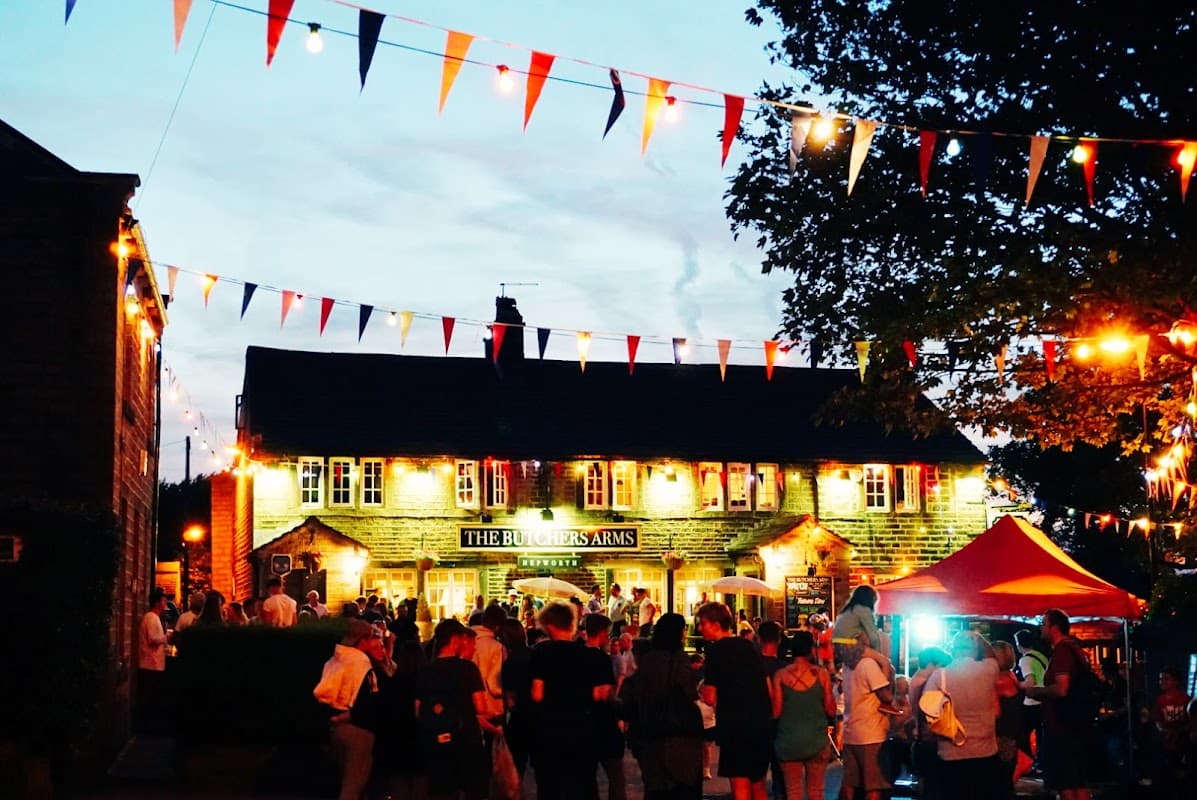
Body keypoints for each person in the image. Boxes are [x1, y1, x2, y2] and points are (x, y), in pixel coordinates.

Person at [697, 602, 772, 800]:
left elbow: (710, 696)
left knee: (740, 787)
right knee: (759, 786)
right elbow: (767, 683)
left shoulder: (715, 652)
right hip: (760, 723)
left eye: (703, 623)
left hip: (735, 726)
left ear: (715, 624)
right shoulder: (749, 646)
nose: (700, 628)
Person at [417, 618, 497, 800]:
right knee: (472, 789)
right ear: (454, 640)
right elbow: (480, 707)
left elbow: (418, 709)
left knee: (443, 791)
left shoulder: (426, 670)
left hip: (436, 740)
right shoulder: (467, 669)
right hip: (467, 739)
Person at [530, 602, 602, 799]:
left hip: (550, 728)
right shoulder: (587, 654)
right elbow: (598, 694)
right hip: (582, 726)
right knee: (583, 783)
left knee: (549, 785)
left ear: (548, 625)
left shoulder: (540, 653)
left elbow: (537, 693)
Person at [630, 613, 705, 800]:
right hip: (679, 734)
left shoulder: (647, 660)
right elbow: (689, 691)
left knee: (657, 789)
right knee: (682, 788)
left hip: (651, 733)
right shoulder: (678, 660)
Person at [313, 619, 387, 800]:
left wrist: (335, 719)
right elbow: (365, 703)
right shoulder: (361, 663)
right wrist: (346, 717)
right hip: (357, 728)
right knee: (353, 786)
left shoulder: (335, 660)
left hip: (336, 728)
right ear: (363, 640)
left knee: (344, 781)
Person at [1023, 608, 1092, 800]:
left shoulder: (1062, 651)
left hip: (1062, 725)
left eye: (1044, 624)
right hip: (1074, 724)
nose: (1041, 628)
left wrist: (1036, 691)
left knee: (1066, 781)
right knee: (1077, 780)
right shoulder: (1075, 649)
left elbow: (1062, 689)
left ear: (1054, 628)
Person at [924, 632, 1000, 800]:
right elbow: (993, 656)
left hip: (951, 750)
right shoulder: (988, 670)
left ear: (952, 650)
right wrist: (979, 638)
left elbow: (928, 711)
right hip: (985, 750)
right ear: (975, 650)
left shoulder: (939, 675)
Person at [771, 630, 835, 800]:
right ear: (810, 649)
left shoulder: (780, 676)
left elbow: (776, 712)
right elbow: (831, 709)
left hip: (788, 742)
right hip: (817, 741)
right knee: (816, 792)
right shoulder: (822, 675)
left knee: (793, 792)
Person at [839, 638, 895, 800]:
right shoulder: (868, 665)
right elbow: (886, 696)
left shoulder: (847, 665)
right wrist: (884, 663)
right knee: (873, 786)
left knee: (850, 784)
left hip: (851, 732)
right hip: (871, 734)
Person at [374, 640, 427, 800]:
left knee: (399, 785)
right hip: (420, 739)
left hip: (397, 738)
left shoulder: (393, 683)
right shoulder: (425, 683)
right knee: (421, 784)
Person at [582, 614, 626, 800]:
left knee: (586, 777)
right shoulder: (601, 659)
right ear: (601, 633)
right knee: (616, 776)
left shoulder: (577, 655)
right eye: (607, 634)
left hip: (583, 721)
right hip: (603, 721)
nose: (608, 638)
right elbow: (605, 693)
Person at [909, 646, 951, 800]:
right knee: (934, 788)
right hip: (930, 740)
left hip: (921, 740)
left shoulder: (916, 679)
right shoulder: (925, 684)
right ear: (934, 664)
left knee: (927, 786)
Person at [499, 618, 534, 781]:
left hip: (519, 717)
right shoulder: (533, 654)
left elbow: (510, 698)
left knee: (516, 768)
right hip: (536, 714)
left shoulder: (509, 663)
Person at [993, 641, 1026, 799]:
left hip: (1000, 736)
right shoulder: (1012, 676)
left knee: (998, 783)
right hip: (1012, 734)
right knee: (1006, 782)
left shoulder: (999, 681)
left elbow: (995, 712)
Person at [1151, 665, 1191, 792]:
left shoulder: (1186, 699)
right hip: (1166, 741)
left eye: (1166, 679)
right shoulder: (1160, 700)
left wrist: (1180, 731)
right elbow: (1157, 719)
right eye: (1161, 679)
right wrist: (1162, 730)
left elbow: (1192, 721)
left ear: (1176, 681)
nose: (1162, 682)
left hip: (1183, 741)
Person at [137, 588, 170, 733]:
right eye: (163, 600)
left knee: (152, 699)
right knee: (151, 699)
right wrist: (167, 637)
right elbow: (153, 639)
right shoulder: (151, 617)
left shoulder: (154, 617)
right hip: (150, 665)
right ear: (157, 602)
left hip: (154, 664)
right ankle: (148, 729)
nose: (165, 603)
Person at [1013, 628, 1047, 768]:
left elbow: (1030, 682)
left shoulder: (1025, 660)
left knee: (1022, 734)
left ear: (1018, 644)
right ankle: (1042, 762)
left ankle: (1028, 762)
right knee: (1041, 735)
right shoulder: (1041, 656)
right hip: (1045, 700)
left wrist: (1014, 683)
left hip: (1032, 702)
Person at [831, 585, 881, 658]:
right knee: (886, 663)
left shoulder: (849, 609)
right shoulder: (863, 610)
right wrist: (878, 655)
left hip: (838, 648)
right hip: (850, 647)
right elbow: (874, 637)